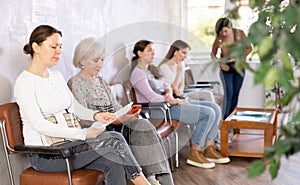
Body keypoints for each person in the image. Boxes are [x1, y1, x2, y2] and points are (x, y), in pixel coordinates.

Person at [14, 25, 151, 185]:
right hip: (48, 155)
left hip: (69, 146)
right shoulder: (24, 82)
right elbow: (39, 124)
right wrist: (83, 134)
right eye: (53, 46)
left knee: (114, 161)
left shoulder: (56, 76)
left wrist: (96, 115)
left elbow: (74, 108)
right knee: (114, 139)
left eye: (60, 47)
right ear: (36, 47)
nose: (59, 51)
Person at [67, 37, 173, 185]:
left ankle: (159, 180)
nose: (100, 65)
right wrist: (116, 119)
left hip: (116, 126)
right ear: (82, 60)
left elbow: (115, 107)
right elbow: (83, 118)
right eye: (95, 60)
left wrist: (127, 114)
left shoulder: (101, 81)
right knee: (139, 130)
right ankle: (152, 180)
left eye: (102, 60)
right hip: (98, 133)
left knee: (143, 124)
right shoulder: (75, 83)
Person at [130, 40, 230, 169]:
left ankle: (210, 147)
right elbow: (151, 97)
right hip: (158, 109)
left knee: (215, 108)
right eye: (150, 50)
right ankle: (195, 152)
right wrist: (172, 100)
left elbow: (167, 85)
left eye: (153, 50)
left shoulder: (151, 69)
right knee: (207, 113)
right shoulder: (137, 74)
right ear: (140, 53)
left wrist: (169, 93)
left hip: (168, 104)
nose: (154, 53)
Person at [158, 39, 222, 145]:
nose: (185, 56)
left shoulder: (179, 66)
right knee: (208, 109)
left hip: (182, 95)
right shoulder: (164, 67)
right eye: (183, 53)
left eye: (186, 54)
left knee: (213, 103)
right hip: (174, 101)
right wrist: (179, 72)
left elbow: (180, 89)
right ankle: (212, 141)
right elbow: (173, 89)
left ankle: (213, 140)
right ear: (175, 51)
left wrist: (180, 74)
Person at [211, 18, 252, 119]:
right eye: (221, 32)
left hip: (239, 67)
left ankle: (232, 118)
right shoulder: (219, 38)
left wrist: (241, 57)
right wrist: (220, 63)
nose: (224, 34)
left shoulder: (239, 34)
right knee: (229, 93)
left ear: (230, 27)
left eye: (226, 31)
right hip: (226, 67)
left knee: (235, 93)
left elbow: (249, 48)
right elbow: (213, 53)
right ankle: (225, 120)